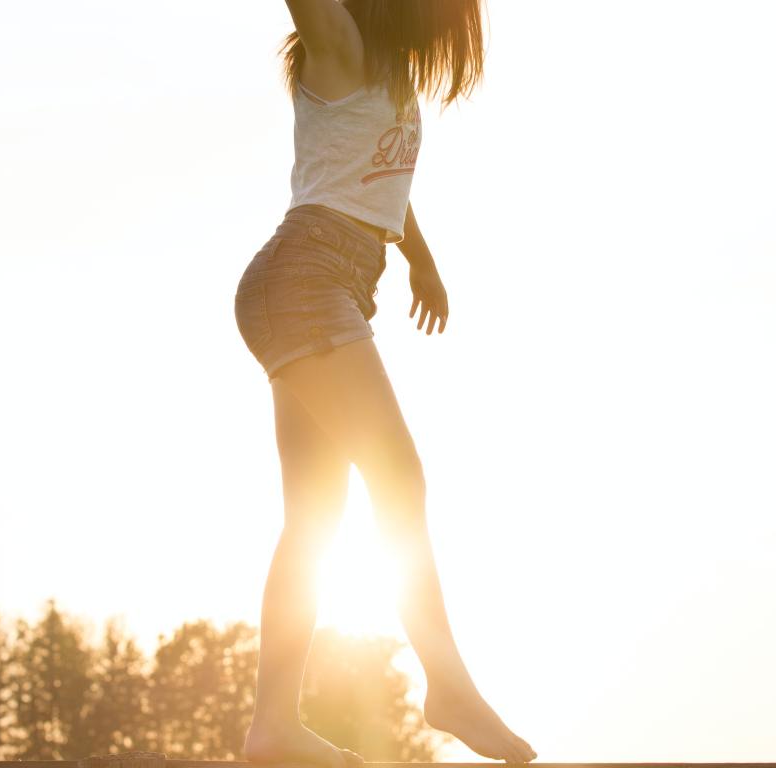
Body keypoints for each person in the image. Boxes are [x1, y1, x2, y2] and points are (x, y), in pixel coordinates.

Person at [232, 2, 536, 766]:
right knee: (398, 474)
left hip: (314, 284)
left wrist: (417, 255)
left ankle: (272, 728)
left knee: (314, 516)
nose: (447, 36)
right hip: (305, 278)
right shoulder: (340, 44)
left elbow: (378, 176)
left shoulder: (387, 74)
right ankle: (448, 684)